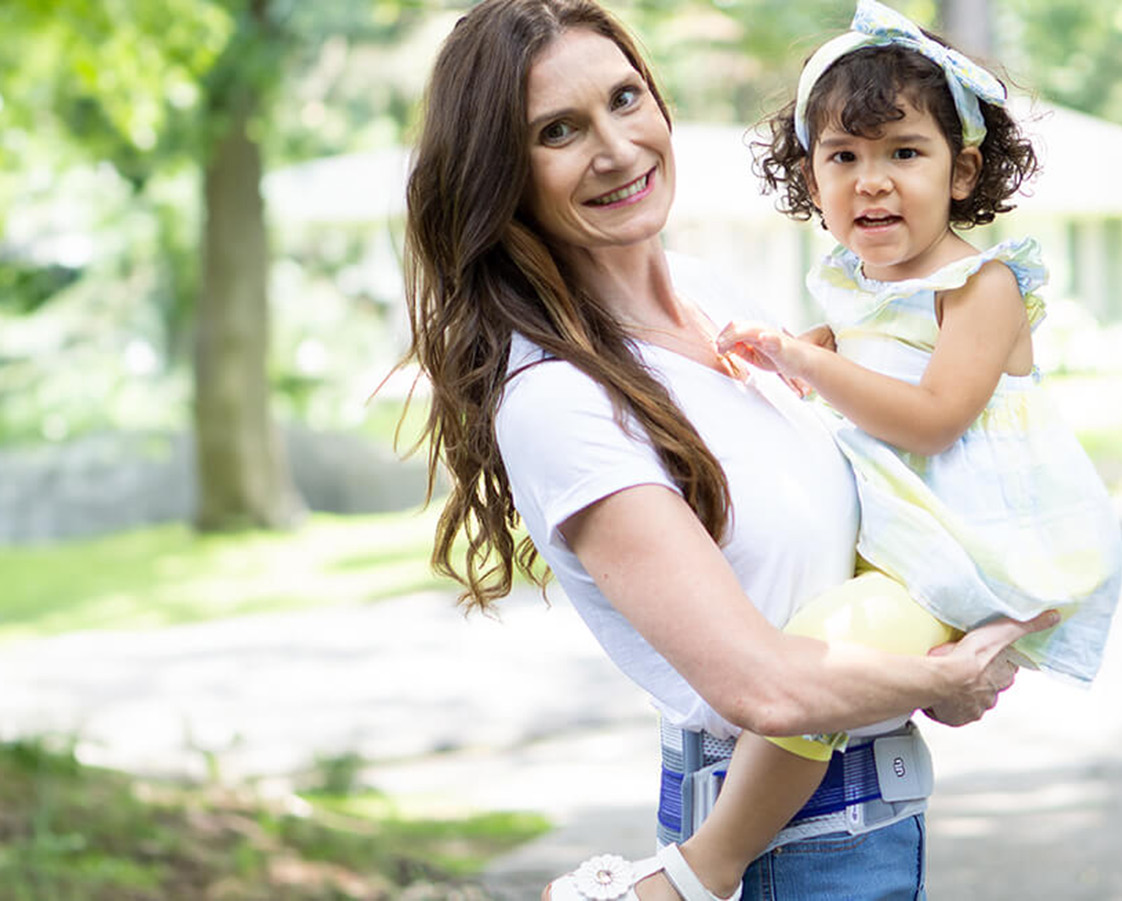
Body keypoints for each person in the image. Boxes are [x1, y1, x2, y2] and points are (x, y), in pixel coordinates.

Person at [398, 1, 1057, 899]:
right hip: (780, 857)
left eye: (626, 99)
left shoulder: (714, 300)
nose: (617, 148)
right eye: (559, 131)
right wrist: (941, 673)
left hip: (869, 829)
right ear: (503, 176)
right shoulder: (559, 397)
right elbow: (766, 687)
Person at [642, 0, 1122, 895]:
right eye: (844, 157)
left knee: (821, 655)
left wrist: (801, 357)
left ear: (961, 168)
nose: (873, 181)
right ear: (810, 177)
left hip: (958, 550)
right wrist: (785, 360)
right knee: (798, 638)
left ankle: (709, 863)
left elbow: (934, 416)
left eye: (905, 153)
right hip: (900, 543)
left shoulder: (981, 288)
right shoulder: (858, 289)